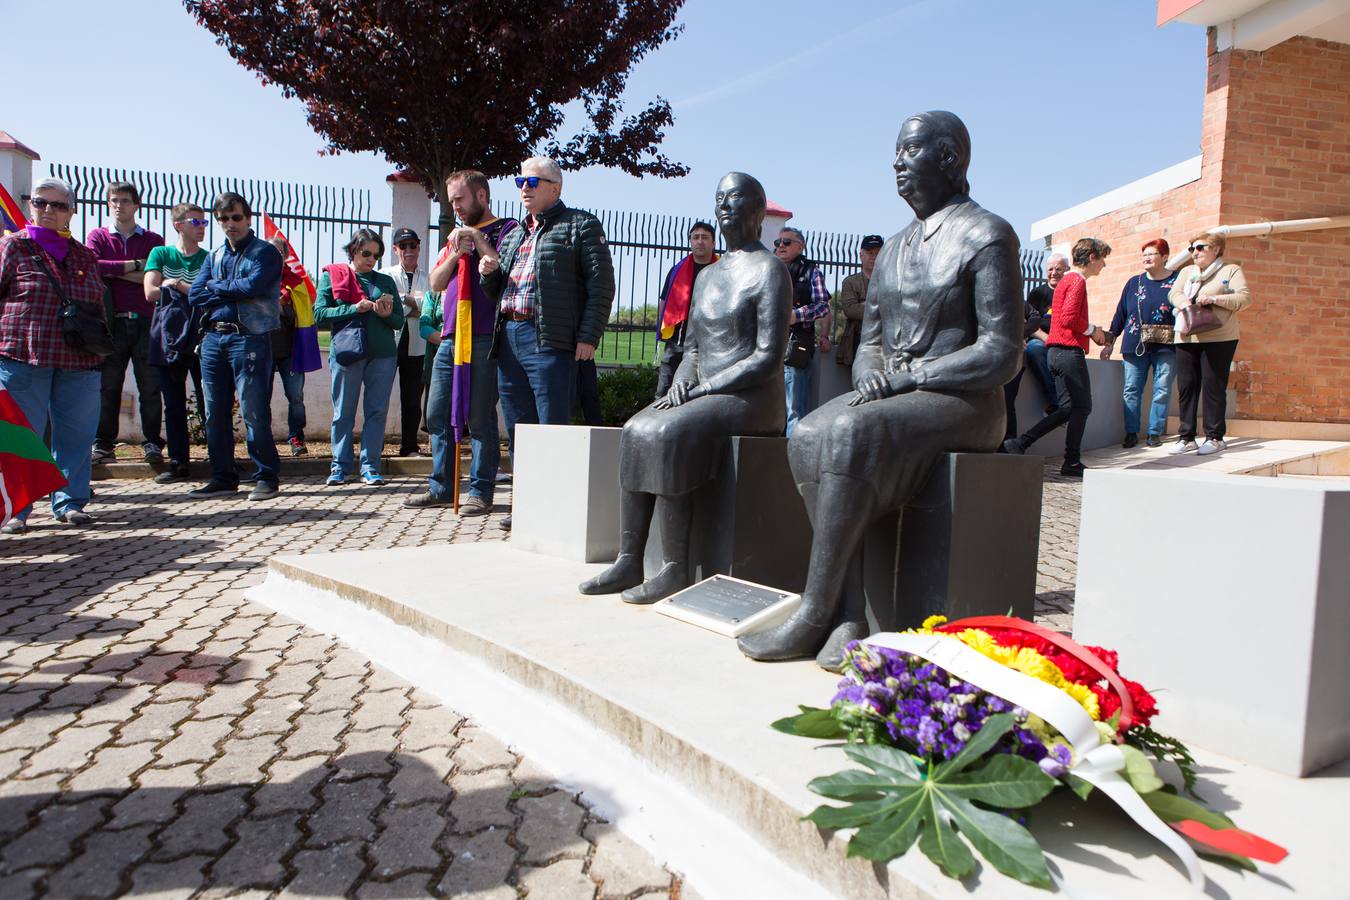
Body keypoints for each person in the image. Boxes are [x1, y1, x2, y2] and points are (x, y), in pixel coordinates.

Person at [738, 111, 1024, 663]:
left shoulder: (987, 234)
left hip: (963, 401)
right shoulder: (892, 247)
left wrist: (916, 375)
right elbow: (868, 336)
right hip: (896, 393)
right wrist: (870, 368)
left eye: (909, 150)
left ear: (948, 158)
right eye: (896, 151)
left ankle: (813, 611)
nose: (896, 162)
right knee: (807, 435)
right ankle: (846, 614)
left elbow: (1001, 352)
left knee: (847, 430)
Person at [579, 172, 789, 604]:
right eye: (719, 199)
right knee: (638, 427)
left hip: (751, 398)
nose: (725, 206)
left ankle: (675, 567)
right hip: (703, 392)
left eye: (736, 198)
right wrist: (681, 384)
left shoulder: (770, 270)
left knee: (669, 433)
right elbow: (691, 347)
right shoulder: (709, 277)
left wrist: (704, 388)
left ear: (757, 209)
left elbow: (767, 357)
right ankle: (630, 558)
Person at [483, 156, 615, 529]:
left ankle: (554, 509)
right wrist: (489, 275)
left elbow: (601, 285)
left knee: (552, 429)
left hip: (550, 341)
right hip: (509, 338)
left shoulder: (580, 226)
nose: (524, 188)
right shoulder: (514, 234)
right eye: (519, 181)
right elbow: (499, 292)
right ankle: (526, 505)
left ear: (556, 188)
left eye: (533, 182)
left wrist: (588, 336)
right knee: (519, 431)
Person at [0, 178, 107, 533]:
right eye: (41, 202)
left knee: (76, 435)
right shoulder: (12, 247)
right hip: (23, 354)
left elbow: (96, 303)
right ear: (30, 206)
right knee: (20, 437)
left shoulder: (83, 254)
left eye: (58, 205)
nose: (48, 210)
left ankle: (70, 502)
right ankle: (18, 508)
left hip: (79, 358)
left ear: (71, 213)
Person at [405, 170, 515, 514]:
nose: (456, 208)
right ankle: (441, 485)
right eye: (451, 202)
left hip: (484, 337)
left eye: (460, 200)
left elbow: (501, 267)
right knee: (438, 412)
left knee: (480, 417)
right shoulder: (453, 239)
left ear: (482, 196)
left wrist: (477, 240)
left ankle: (480, 491)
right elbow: (437, 283)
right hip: (451, 337)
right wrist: (455, 252)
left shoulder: (506, 229)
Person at [187, 192, 283, 501]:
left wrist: (217, 288)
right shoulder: (214, 255)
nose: (230, 224)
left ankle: (266, 476)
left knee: (254, 410)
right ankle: (223, 477)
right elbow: (195, 295)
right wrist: (228, 291)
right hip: (213, 338)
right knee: (214, 412)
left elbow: (254, 286)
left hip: (249, 337)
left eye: (236, 218)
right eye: (223, 219)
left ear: (248, 218)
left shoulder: (265, 253)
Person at [1003, 238, 1112, 476]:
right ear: (1092, 258)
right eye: (1102, 259)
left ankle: (1020, 443)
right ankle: (1070, 461)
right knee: (1081, 407)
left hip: (1056, 351)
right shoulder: (1076, 281)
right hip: (1067, 351)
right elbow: (1070, 319)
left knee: (1068, 408)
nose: (1103, 265)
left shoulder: (1066, 281)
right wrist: (1094, 331)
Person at [314, 228, 404, 486]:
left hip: (383, 355)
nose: (371, 260)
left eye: (376, 256)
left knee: (376, 412)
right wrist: (353, 308)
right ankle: (339, 467)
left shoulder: (385, 281)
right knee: (343, 412)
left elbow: (398, 321)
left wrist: (386, 315)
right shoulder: (332, 276)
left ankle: (370, 466)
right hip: (346, 352)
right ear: (353, 250)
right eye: (366, 253)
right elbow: (319, 315)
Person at [86, 181, 165, 464]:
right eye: (114, 200)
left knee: (150, 387)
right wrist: (134, 266)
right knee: (108, 387)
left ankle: (152, 443)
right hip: (110, 323)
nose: (119, 205)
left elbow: (158, 275)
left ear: (137, 205)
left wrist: (114, 270)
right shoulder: (98, 236)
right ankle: (103, 444)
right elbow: (93, 267)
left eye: (125, 200)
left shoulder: (153, 240)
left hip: (146, 322)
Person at [1167, 231, 1251, 456]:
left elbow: (1244, 298)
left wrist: (1215, 299)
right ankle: (1186, 437)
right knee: (1186, 386)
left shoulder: (1230, 270)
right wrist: (1184, 302)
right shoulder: (1187, 272)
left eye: (1201, 247)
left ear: (1216, 249)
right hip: (1186, 334)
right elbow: (1174, 293)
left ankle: (1215, 437)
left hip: (1219, 336)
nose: (1195, 252)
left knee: (1213, 386)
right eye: (1192, 248)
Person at [143, 203, 208, 483]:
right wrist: (187, 290)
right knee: (173, 402)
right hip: (170, 335)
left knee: (211, 400)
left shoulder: (209, 258)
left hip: (203, 334)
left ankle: (220, 458)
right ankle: (179, 461)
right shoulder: (161, 253)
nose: (202, 227)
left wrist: (178, 285)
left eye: (204, 222)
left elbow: (208, 294)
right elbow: (150, 292)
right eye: (196, 221)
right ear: (178, 224)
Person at [1101, 239, 1178, 448]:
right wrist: (1110, 341)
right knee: (1131, 389)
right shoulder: (1134, 282)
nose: (1147, 258)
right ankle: (1131, 432)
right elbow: (1120, 314)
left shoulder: (1177, 281)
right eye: (1144, 254)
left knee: (1162, 389)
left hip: (1167, 344)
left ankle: (1154, 432)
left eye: (1152, 253)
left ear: (1164, 257)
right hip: (1135, 343)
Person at [773, 226, 829, 436]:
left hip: (795, 349)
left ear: (800, 246)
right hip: (766, 348)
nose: (781, 246)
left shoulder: (811, 271)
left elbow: (823, 305)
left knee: (793, 409)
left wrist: (797, 315)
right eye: (778, 242)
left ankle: (790, 462)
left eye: (787, 242)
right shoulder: (768, 267)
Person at [381, 227, 430, 456]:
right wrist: (414, 304)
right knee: (378, 397)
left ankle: (409, 446)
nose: (409, 250)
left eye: (413, 245)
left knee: (412, 400)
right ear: (395, 249)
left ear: (419, 247)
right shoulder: (386, 274)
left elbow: (431, 308)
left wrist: (404, 301)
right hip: (389, 343)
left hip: (417, 345)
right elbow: (386, 304)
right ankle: (374, 446)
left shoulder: (428, 278)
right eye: (403, 246)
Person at [654, 221, 718, 398]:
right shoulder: (677, 270)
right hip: (677, 341)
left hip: (709, 345)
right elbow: (664, 301)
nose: (699, 241)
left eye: (705, 238)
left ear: (713, 243)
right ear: (690, 241)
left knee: (700, 395)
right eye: (695, 237)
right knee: (663, 392)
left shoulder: (722, 271)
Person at [265, 234, 308, 458]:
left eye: (279, 253)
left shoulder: (296, 282)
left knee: (296, 397)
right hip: (262, 350)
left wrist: (283, 307)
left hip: (291, 350)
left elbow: (304, 315)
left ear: (286, 256)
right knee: (261, 397)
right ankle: (264, 441)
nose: (274, 257)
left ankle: (296, 437)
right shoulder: (257, 278)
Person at [1020, 253, 1067, 414]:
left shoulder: (1071, 292)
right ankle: (1055, 401)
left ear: (1066, 269)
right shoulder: (1037, 293)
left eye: (1058, 269)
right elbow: (1029, 322)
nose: (1054, 272)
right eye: (1050, 269)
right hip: (1041, 339)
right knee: (1035, 350)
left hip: (1064, 342)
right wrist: (1046, 338)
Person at [833, 235, 882, 369]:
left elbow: (896, 308)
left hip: (885, 340)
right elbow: (850, 310)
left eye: (877, 253)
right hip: (857, 339)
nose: (873, 256)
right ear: (861, 255)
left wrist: (864, 304)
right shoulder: (850, 282)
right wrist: (881, 305)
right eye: (869, 252)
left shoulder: (891, 281)